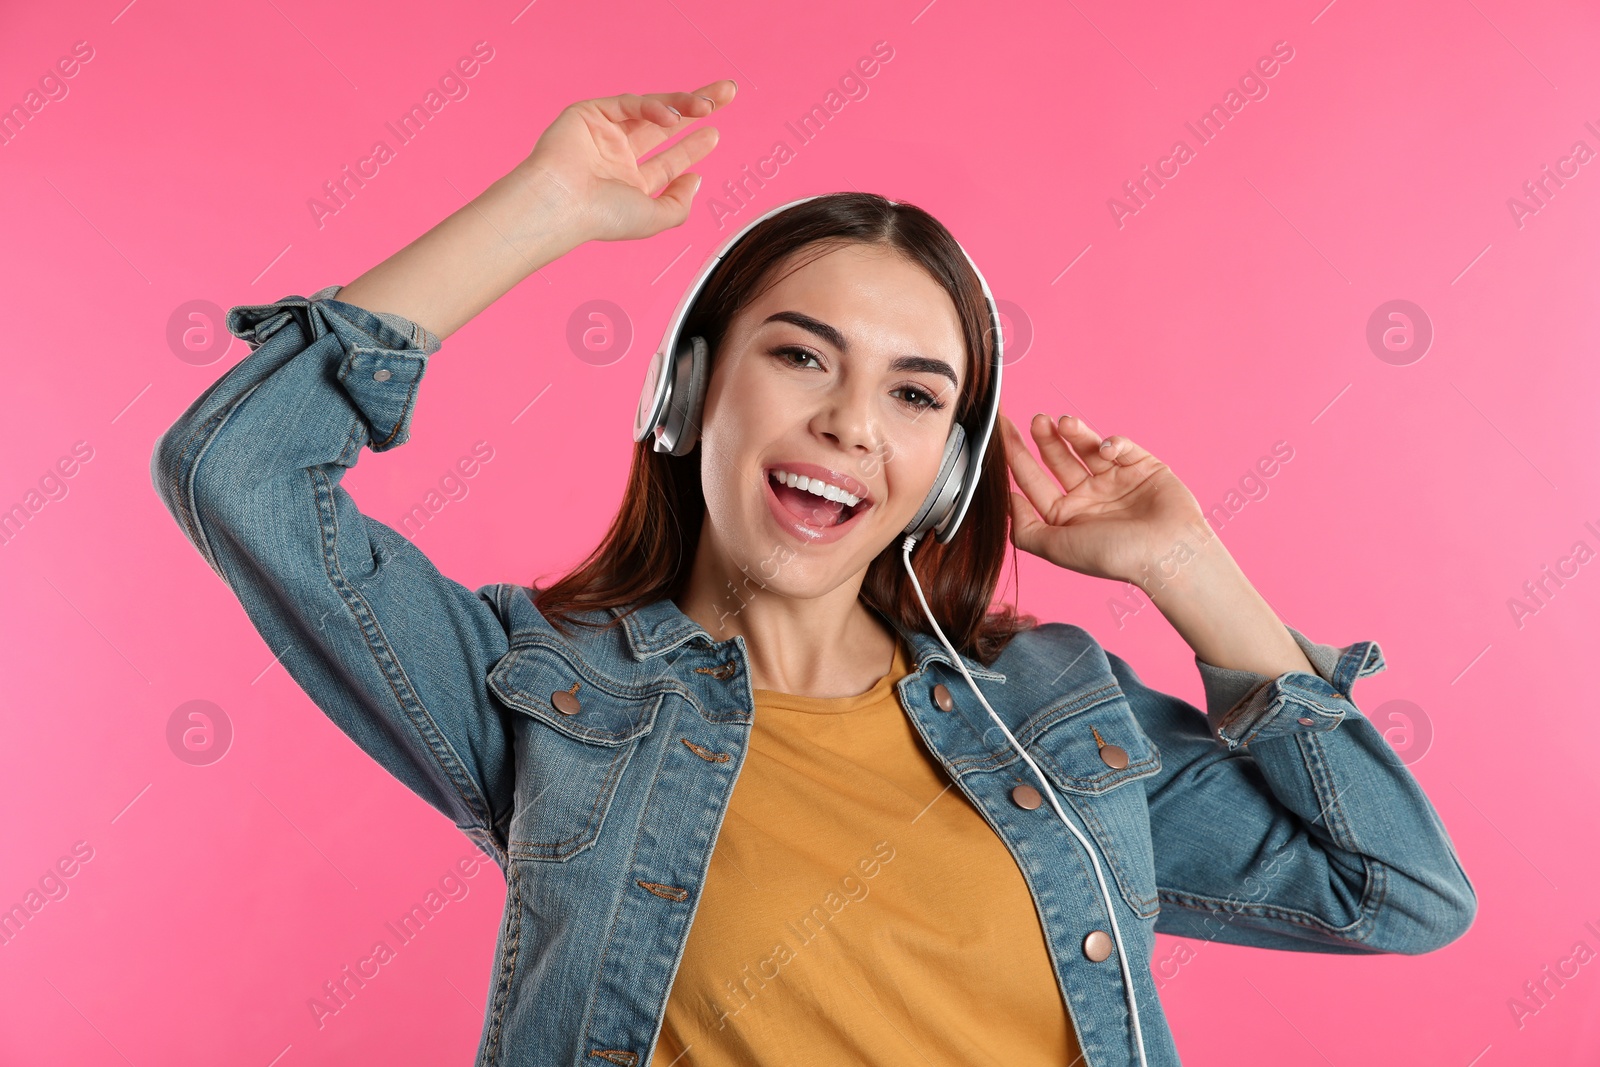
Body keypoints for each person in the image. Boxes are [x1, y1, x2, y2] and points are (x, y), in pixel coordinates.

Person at [150, 79, 1477, 1067]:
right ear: (689, 392)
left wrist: (1188, 568)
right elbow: (240, 472)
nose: (852, 422)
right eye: (801, 355)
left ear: (947, 473)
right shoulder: (542, 692)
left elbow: (1399, 895)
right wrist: (542, 210)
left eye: (914, 393)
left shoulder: (1053, 711)